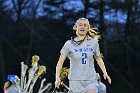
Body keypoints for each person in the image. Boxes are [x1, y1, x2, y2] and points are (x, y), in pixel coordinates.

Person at [55, 18, 111, 93]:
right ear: (76, 27)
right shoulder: (69, 44)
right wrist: (57, 78)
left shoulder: (94, 43)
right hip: (75, 81)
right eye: (80, 25)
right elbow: (60, 62)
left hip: (90, 79)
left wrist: (105, 72)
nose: (82, 27)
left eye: (85, 25)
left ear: (88, 28)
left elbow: (99, 59)